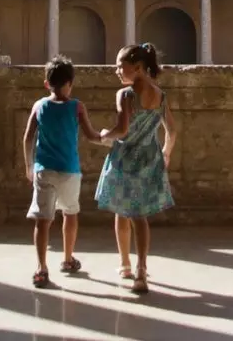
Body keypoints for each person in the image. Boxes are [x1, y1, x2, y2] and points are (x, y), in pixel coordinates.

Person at [95, 42, 177, 294]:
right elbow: (172, 130)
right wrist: (166, 152)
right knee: (139, 215)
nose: (117, 70)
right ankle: (139, 267)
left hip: (125, 158)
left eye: (121, 66)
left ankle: (127, 265)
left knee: (123, 212)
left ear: (138, 67)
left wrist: (102, 135)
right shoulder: (160, 95)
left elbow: (121, 130)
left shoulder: (126, 95)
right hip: (149, 159)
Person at [22, 55, 101, 288]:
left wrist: (28, 165)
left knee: (42, 220)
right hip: (70, 170)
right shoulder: (77, 107)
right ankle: (67, 259)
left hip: (43, 169)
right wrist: (108, 138)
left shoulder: (39, 106)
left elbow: (28, 138)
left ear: (47, 83)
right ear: (71, 83)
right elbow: (91, 135)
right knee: (70, 214)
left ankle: (41, 267)